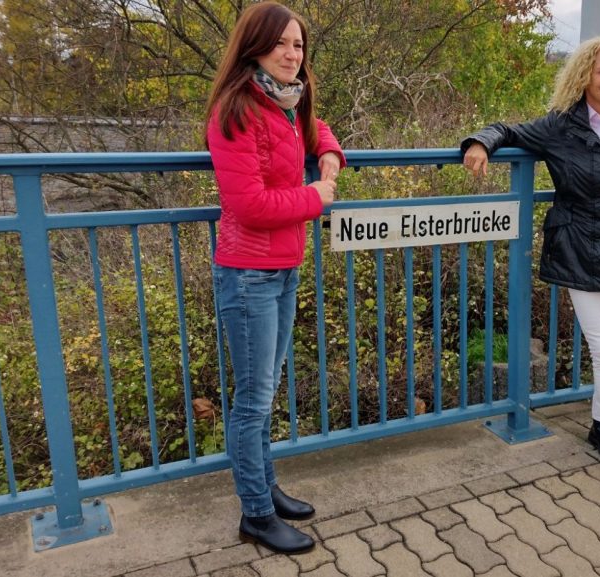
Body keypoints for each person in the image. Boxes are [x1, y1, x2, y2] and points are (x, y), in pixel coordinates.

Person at [461, 35, 600, 491]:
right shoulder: (560, 126)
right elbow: (509, 131)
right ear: (584, 76)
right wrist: (480, 142)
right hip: (581, 250)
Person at [204, 1, 344, 553]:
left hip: (282, 268)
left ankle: (267, 488)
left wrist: (329, 157)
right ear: (255, 46)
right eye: (283, 44)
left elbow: (319, 130)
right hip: (247, 274)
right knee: (254, 399)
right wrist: (315, 196)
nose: (293, 54)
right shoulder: (235, 111)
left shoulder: (288, 103)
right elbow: (251, 204)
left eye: (300, 45)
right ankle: (256, 515)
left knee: (266, 390)